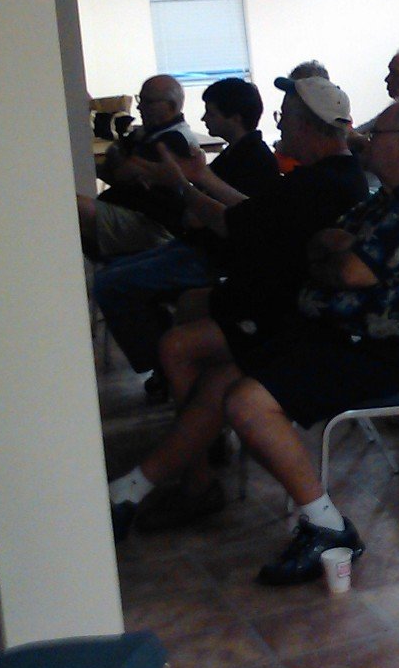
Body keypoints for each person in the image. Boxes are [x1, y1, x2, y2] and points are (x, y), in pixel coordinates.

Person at [113, 97, 399, 590]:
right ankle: (127, 493)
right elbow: (322, 242)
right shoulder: (391, 197)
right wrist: (331, 257)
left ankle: (328, 526)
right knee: (219, 380)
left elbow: (349, 268)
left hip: (385, 353)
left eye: (376, 135)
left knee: (246, 401)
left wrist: (332, 260)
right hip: (339, 334)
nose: (364, 141)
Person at [105, 77, 367, 534]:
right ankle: (185, 467)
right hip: (280, 305)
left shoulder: (320, 183)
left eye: (285, 118)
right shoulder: (332, 176)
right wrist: (199, 178)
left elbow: (233, 223)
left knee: (178, 349)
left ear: (309, 128)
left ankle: (196, 477)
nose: (278, 125)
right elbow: (257, 211)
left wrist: (184, 185)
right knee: (191, 324)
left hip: (290, 318)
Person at [93, 77, 281, 375]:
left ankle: (162, 366)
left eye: (211, 112)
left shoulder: (255, 160)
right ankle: (162, 362)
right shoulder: (234, 154)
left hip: (212, 257)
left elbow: (232, 219)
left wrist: (184, 191)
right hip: (194, 246)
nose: (204, 118)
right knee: (110, 276)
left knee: (110, 283)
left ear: (235, 117)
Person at [77, 73, 198, 258]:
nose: (139, 107)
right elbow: (115, 165)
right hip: (129, 212)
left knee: (75, 207)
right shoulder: (149, 132)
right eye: (140, 99)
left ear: (171, 106)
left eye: (148, 101)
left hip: (152, 224)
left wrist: (122, 159)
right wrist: (124, 160)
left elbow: (121, 172)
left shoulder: (177, 139)